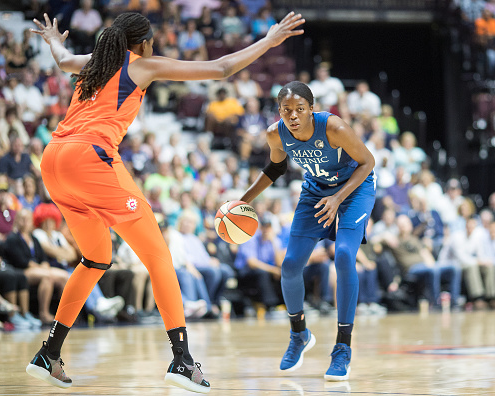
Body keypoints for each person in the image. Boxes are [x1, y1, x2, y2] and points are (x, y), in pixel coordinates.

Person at [26, 11, 304, 393]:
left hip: (53, 159)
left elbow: (60, 60)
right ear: (141, 44)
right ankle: (183, 361)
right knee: (158, 256)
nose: (153, 47)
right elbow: (221, 68)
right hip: (90, 157)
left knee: (96, 258)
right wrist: (268, 42)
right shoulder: (141, 65)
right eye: (152, 42)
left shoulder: (95, 63)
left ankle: (49, 352)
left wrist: (53, 39)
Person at [238, 81, 376, 381]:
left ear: (311, 109)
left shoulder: (334, 127)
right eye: (287, 110)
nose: (294, 115)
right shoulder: (276, 134)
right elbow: (275, 169)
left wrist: (338, 198)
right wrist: (242, 201)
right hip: (315, 192)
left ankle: (342, 348)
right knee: (289, 266)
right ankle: (299, 334)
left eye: (300, 109)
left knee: (342, 255)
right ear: (279, 112)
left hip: (355, 189)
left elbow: (368, 162)